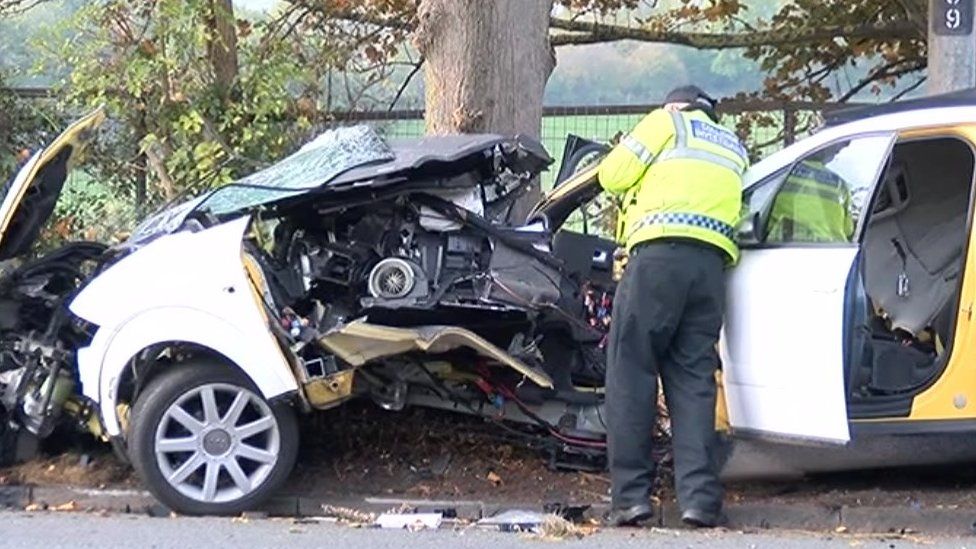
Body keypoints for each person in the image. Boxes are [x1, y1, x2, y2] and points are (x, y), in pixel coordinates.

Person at [598, 85, 746, 528]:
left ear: (675, 105)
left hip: (658, 259)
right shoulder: (733, 145)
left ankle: (630, 499)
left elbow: (613, 175)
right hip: (710, 268)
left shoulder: (667, 122)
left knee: (631, 372)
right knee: (695, 380)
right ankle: (700, 501)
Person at [766, 149, 854, 243]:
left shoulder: (783, 176)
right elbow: (848, 229)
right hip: (835, 252)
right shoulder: (840, 184)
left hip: (787, 248)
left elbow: (762, 219)